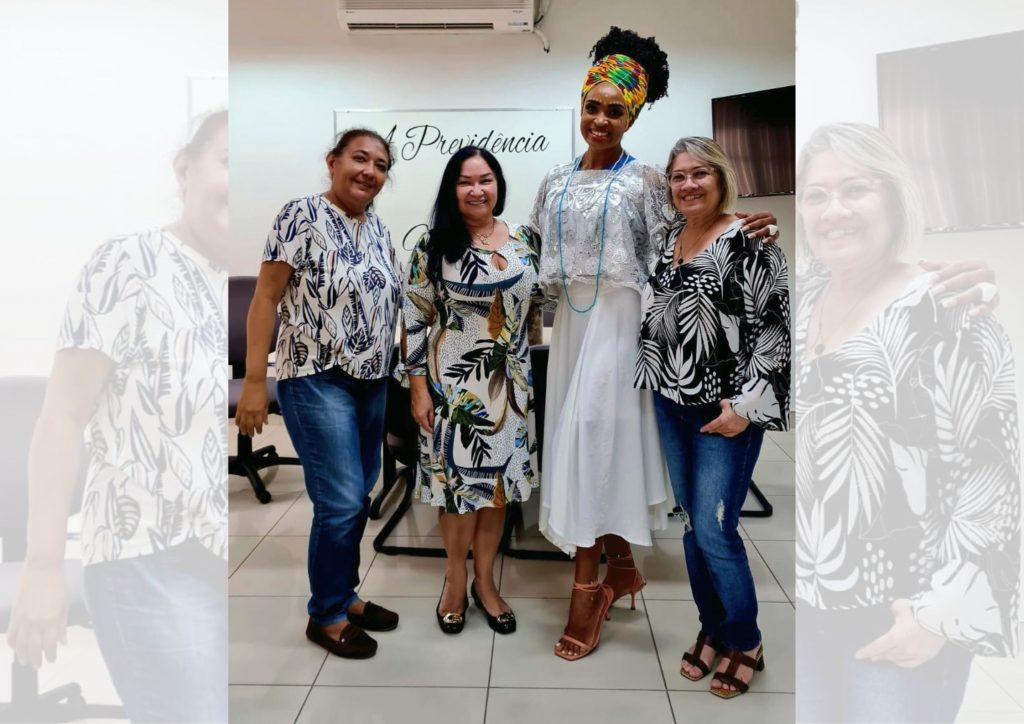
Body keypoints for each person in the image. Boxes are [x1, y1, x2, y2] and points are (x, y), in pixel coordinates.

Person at [529, 26, 781, 661]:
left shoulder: (647, 179)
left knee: (593, 443)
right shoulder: (553, 181)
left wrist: (752, 225)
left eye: (616, 110)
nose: (600, 119)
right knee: (583, 441)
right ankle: (619, 569)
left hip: (624, 327)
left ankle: (588, 590)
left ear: (633, 114)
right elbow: (535, 257)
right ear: (580, 105)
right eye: (592, 106)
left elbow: (694, 234)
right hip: (572, 330)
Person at [7, 110, 230, 721]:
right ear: (185, 169)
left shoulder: (235, 285)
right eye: (227, 161)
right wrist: (44, 568)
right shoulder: (128, 264)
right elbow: (60, 418)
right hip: (150, 556)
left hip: (223, 550)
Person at [793, 123, 1020, 722]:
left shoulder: (951, 311)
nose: (833, 210)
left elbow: (997, 479)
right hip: (811, 601)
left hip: (901, 611)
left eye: (856, 190)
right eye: (816, 195)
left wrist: (937, 615)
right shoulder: (810, 295)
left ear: (894, 197)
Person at [234, 128, 403, 660]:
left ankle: (344, 594)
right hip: (315, 377)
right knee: (341, 501)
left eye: (379, 165)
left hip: (371, 380)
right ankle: (325, 615)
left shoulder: (377, 228)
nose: (368, 171)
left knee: (359, 494)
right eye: (359, 158)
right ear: (332, 161)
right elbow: (265, 298)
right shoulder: (299, 216)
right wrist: (256, 380)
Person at [635, 136, 790, 698]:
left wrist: (746, 408)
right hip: (670, 402)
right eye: (678, 176)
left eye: (699, 174)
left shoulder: (750, 240)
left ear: (721, 177)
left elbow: (775, 331)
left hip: (725, 409)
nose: (687, 185)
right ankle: (712, 628)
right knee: (695, 527)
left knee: (717, 529)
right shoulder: (668, 237)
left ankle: (745, 639)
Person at [403, 146, 540, 635]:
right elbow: (415, 320)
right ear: (452, 188)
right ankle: (455, 580)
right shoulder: (432, 244)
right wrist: (418, 390)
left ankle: (487, 581)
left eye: (485, 179)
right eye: (465, 181)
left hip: (509, 387)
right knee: (457, 491)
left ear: (498, 184)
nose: (477, 189)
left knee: (496, 490)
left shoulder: (526, 240)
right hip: (451, 389)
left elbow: (535, 311)